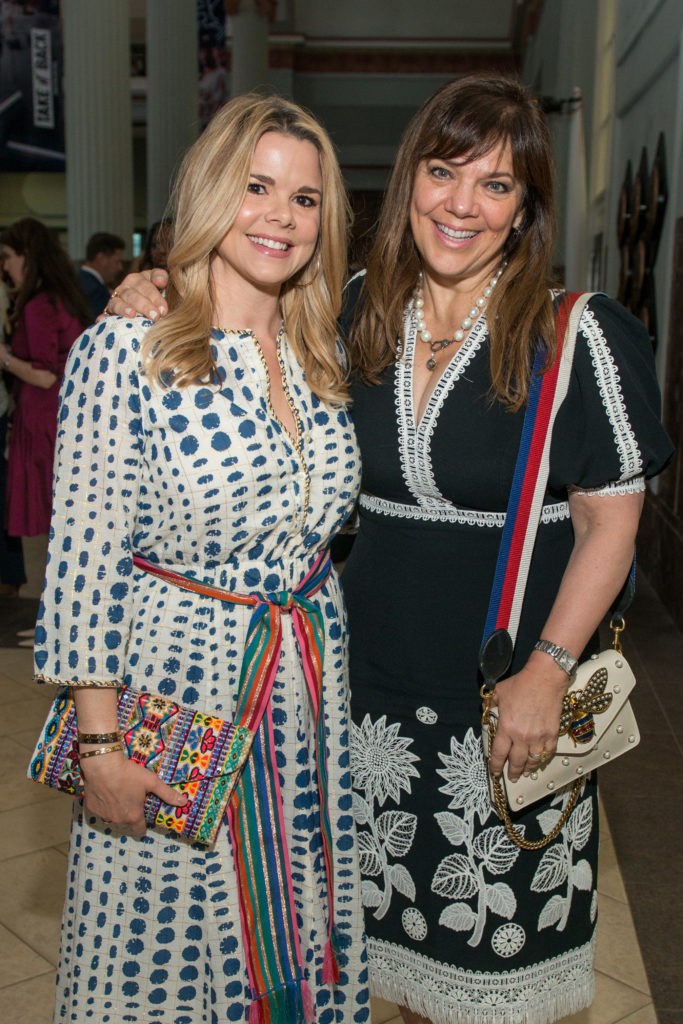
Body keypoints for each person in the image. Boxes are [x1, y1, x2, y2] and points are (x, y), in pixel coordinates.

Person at [107, 75, 673, 1024]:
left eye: (496, 186)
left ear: (526, 207)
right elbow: (236, 312)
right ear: (408, 177)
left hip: (503, 699)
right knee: (368, 973)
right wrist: (155, 287)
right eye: (444, 171)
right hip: (350, 701)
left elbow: (609, 526)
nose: (461, 204)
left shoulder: (574, 334)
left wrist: (548, 667)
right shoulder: (351, 307)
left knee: (493, 977)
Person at [33, 95, 368, 1024]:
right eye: (257, 187)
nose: (280, 215)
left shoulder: (317, 349)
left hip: (303, 693)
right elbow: (84, 562)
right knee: (167, 942)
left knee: (297, 916)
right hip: (179, 686)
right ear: (213, 193)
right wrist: (100, 746)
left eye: (306, 199)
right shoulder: (125, 347)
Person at [0, 219, 90, 547]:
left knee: (53, 526)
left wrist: (5, 358)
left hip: (44, 420)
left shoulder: (38, 305)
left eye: (8, 256)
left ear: (27, 256)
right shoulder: (59, 297)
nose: (5, 265)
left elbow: (44, 374)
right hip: (61, 416)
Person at [76, 231, 125, 318]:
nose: (120, 267)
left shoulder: (77, 280)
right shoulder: (96, 292)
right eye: (117, 261)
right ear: (101, 258)